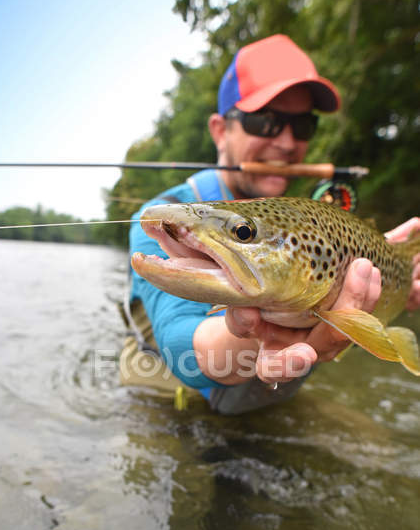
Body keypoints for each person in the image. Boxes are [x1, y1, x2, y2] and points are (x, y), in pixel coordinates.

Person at [121, 34, 420, 414]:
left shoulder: (311, 221)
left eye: (303, 126)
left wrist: (396, 281)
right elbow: (179, 339)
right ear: (219, 131)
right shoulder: (165, 216)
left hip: (268, 401)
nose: (286, 141)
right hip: (171, 407)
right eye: (265, 122)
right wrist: (256, 339)